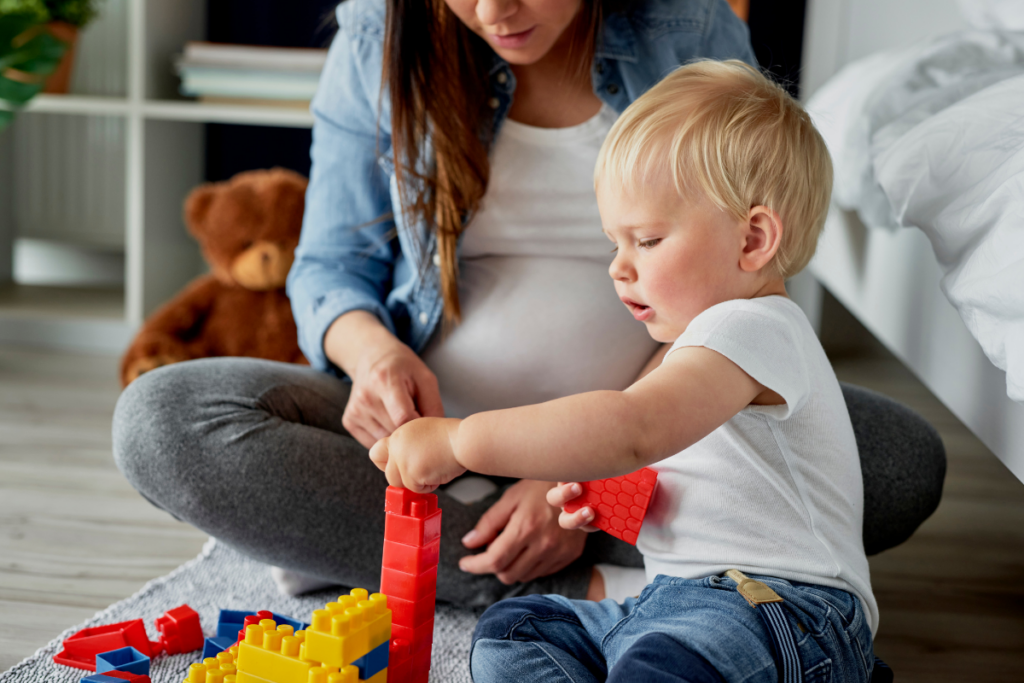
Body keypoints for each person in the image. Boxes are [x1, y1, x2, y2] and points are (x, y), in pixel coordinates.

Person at [112, 0, 939, 611]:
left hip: (656, 433)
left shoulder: (684, 31)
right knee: (162, 420)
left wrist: (582, 481)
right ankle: (580, 577)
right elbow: (330, 266)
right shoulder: (380, 36)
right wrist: (373, 354)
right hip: (436, 436)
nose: (494, 11)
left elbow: (742, 274)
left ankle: (406, 550)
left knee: (897, 459)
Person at [369, 60, 877, 682]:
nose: (619, 267)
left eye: (647, 240)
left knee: (664, 659)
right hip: (670, 605)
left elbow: (633, 428)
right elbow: (702, 481)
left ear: (752, 241)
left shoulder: (754, 327)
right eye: (615, 242)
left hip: (783, 612)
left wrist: (458, 440)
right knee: (517, 629)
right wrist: (608, 495)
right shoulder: (706, 351)